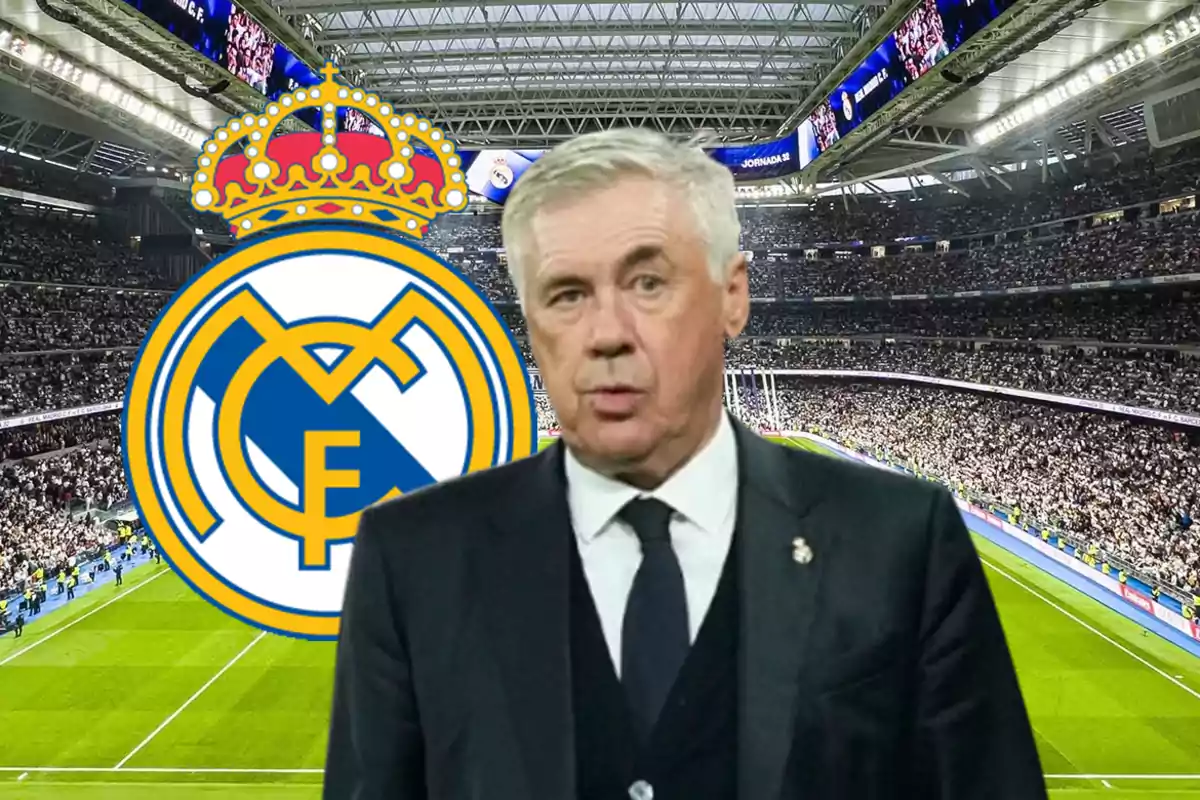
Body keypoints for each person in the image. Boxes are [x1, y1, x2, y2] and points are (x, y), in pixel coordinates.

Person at [324, 128, 1047, 800]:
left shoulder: (902, 543)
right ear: (529, 320)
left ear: (734, 296)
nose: (607, 334)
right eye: (567, 294)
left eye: (648, 283)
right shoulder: (411, 558)